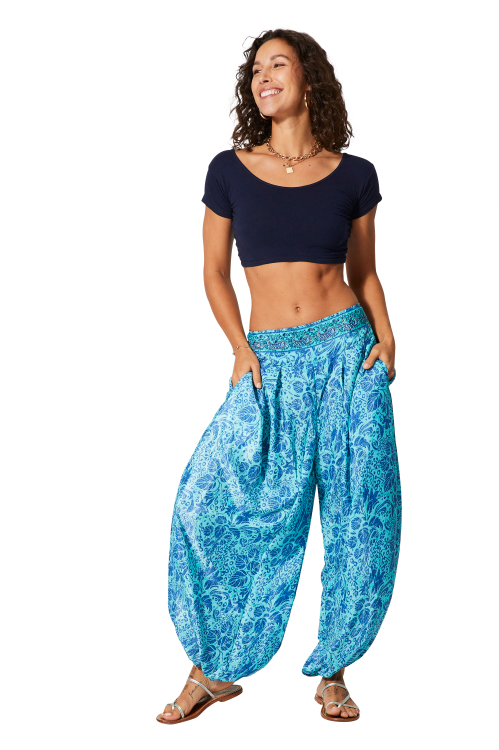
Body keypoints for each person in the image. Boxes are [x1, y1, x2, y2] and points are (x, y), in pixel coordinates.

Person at [157, 28, 401, 725]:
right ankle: (213, 670)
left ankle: (334, 672)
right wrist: (239, 347)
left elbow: (365, 273)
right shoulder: (229, 170)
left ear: (309, 80)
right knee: (216, 504)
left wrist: (387, 338)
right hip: (268, 360)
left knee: (359, 516)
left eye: (277, 64)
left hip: (348, 355)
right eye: (255, 69)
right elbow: (213, 272)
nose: (263, 77)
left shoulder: (354, 174)